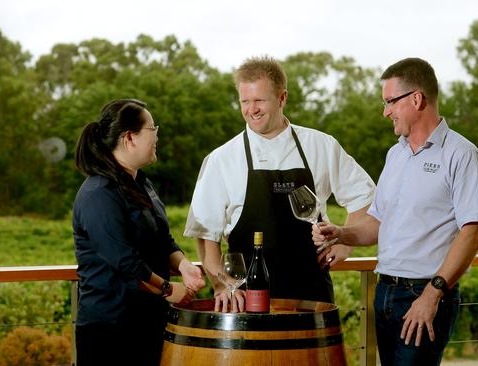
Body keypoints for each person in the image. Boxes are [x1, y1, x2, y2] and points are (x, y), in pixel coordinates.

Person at [313, 58, 478, 366]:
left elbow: (473, 233)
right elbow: (378, 223)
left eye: (390, 102)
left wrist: (432, 295)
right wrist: (341, 232)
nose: (386, 111)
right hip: (385, 292)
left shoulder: (462, 155)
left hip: (425, 292)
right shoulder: (395, 154)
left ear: (416, 99)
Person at [184, 56, 375, 311]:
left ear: (282, 98)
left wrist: (345, 242)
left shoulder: (321, 146)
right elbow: (206, 234)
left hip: (311, 295)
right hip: (247, 300)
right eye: (245, 101)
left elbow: (366, 197)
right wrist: (222, 285)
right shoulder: (222, 159)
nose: (252, 109)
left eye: (260, 100)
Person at [72, 99, 206, 365]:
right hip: (111, 330)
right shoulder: (98, 193)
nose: (157, 135)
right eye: (153, 128)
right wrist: (169, 290)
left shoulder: (142, 183)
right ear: (130, 138)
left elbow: (162, 239)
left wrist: (184, 264)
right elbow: (125, 262)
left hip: (150, 323)